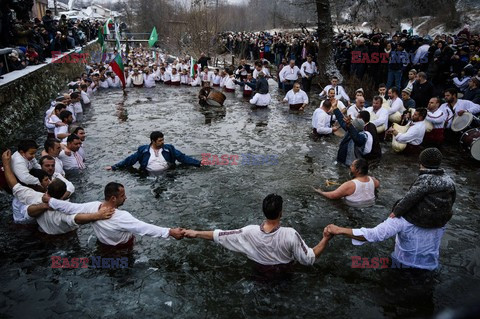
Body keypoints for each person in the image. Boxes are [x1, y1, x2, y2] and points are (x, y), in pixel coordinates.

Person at [324, 148, 455, 270]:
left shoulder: (403, 219)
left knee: (355, 263)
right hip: (431, 267)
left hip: (403, 267)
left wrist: (338, 230)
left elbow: (373, 234)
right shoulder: (441, 219)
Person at [184, 194, 332, 267]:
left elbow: (220, 235)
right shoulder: (290, 234)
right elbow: (309, 258)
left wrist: (196, 233)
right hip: (283, 273)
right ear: (281, 212)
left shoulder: (249, 231)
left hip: (259, 273)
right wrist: (325, 238)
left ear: (263, 211)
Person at [2, 150, 112, 232]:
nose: (49, 181)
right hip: (30, 230)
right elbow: (76, 217)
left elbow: (15, 187)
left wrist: (6, 164)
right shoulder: (60, 207)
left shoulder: (34, 197)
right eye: (46, 180)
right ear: (38, 183)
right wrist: (97, 215)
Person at [46, 182, 185, 246]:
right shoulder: (121, 216)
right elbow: (143, 228)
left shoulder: (92, 206)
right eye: (123, 195)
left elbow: (70, 207)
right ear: (113, 198)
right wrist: (170, 232)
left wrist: (50, 200)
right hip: (123, 251)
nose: (125, 198)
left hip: (103, 248)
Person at [106, 131, 204, 173]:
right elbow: (130, 160)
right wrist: (114, 167)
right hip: (148, 174)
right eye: (160, 140)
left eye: (163, 140)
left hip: (167, 173)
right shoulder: (144, 150)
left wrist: (198, 163)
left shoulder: (169, 149)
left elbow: (182, 157)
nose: (163, 142)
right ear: (153, 141)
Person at [313, 159, 379, 207]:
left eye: (352, 166)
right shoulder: (373, 180)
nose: (350, 167)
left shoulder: (350, 184)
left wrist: (320, 192)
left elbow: (333, 195)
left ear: (358, 170)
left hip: (354, 207)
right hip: (371, 204)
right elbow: (377, 184)